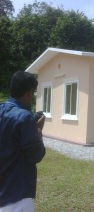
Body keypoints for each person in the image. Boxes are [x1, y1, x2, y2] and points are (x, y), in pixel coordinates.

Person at [0, 71, 46, 212]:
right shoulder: (25, 118)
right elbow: (37, 154)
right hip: (16, 194)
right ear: (28, 93)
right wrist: (38, 130)